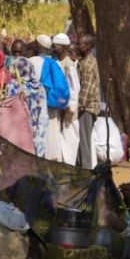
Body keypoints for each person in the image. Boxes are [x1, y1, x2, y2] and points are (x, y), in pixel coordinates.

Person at [5, 54, 48, 158]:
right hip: (34, 129)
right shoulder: (39, 86)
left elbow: (7, 111)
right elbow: (43, 113)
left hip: (17, 131)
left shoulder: (13, 86)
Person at [51, 34, 80, 164]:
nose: (53, 49)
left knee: (69, 145)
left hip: (68, 113)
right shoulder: (57, 63)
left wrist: (67, 108)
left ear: (63, 47)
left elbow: (74, 89)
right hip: (59, 109)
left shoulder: (69, 65)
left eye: (55, 46)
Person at [77, 34, 101, 169]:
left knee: (84, 141)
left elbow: (87, 88)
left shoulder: (88, 64)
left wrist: (79, 106)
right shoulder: (85, 61)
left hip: (86, 109)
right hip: (87, 108)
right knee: (81, 140)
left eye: (80, 44)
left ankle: (85, 170)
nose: (78, 46)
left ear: (88, 46)